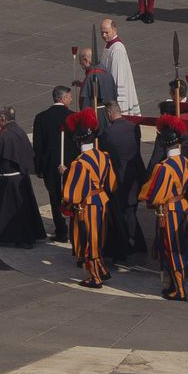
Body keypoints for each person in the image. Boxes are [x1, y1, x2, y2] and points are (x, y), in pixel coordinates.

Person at [0, 106, 45, 247]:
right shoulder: (19, 131)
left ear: (3, 119)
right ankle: (25, 238)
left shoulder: (4, 136)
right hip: (20, 178)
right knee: (22, 212)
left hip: (6, 181)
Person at [141, 118, 188, 300]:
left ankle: (179, 288)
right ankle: (175, 284)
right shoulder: (186, 162)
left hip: (169, 209)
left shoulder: (164, 167)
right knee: (178, 245)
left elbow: (155, 194)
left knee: (172, 247)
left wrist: (150, 201)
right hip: (182, 205)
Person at [61, 110, 115, 287]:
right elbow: (112, 182)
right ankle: (102, 269)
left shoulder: (79, 163)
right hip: (102, 200)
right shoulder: (104, 156)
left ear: (78, 141)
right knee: (98, 237)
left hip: (87, 205)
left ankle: (95, 277)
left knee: (90, 240)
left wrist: (66, 203)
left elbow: (73, 192)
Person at [100, 102, 145, 263]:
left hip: (119, 175)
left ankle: (130, 241)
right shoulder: (134, 127)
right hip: (136, 171)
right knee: (131, 209)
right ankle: (137, 241)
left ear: (109, 114)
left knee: (123, 211)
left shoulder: (107, 133)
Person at [32, 86, 72, 240]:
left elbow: (38, 145)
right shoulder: (73, 116)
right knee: (72, 195)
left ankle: (61, 230)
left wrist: (39, 168)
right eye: (69, 97)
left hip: (50, 165)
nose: (70, 100)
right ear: (62, 98)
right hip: (70, 164)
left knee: (55, 197)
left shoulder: (41, 117)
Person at [98, 19, 140, 116]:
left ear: (114, 30)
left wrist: (116, 101)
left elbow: (117, 75)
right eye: (102, 33)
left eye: (106, 32)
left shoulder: (117, 49)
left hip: (117, 96)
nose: (104, 35)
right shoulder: (108, 45)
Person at [75, 46, 116, 114]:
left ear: (86, 60)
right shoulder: (106, 71)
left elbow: (86, 101)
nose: (82, 67)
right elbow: (101, 88)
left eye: (81, 63)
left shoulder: (91, 76)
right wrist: (82, 85)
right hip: (110, 112)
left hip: (98, 114)